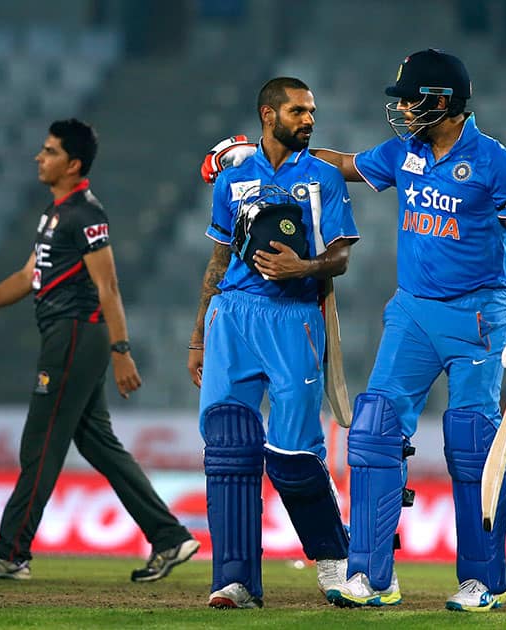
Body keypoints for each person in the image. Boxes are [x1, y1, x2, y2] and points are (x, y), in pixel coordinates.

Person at [202, 49, 506, 611]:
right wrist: (250, 153)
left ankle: (482, 580)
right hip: (412, 312)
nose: (402, 109)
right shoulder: (405, 152)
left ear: (442, 102)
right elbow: (339, 163)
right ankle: (371, 574)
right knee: (372, 430)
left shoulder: (495, 162)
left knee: (471, 442)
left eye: (411, 99)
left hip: (476, 316)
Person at [0, 119, 198, 582]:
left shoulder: (86, 214)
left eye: (49, 152)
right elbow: (28, 277)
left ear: (73, 164)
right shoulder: (55, 213)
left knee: (40, 444)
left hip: (75, 336)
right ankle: (169, 537)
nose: (38, 158)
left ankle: (10, 553)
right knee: (98, 444)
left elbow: (109, 286)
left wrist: (122, 350)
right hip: (67, 336)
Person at [189, 77, 359, 609]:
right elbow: (218, 260)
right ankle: (236, 580)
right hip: (232, 318)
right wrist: (199, 335)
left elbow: (341, 258)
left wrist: (300, 267)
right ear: (268, 114)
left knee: (292, 452)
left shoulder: (325, 179)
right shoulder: (232, 179)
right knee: (228, 445)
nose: (309, 120)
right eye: (298, 111)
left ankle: (334, 560)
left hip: (294, 318)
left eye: (312, 111)